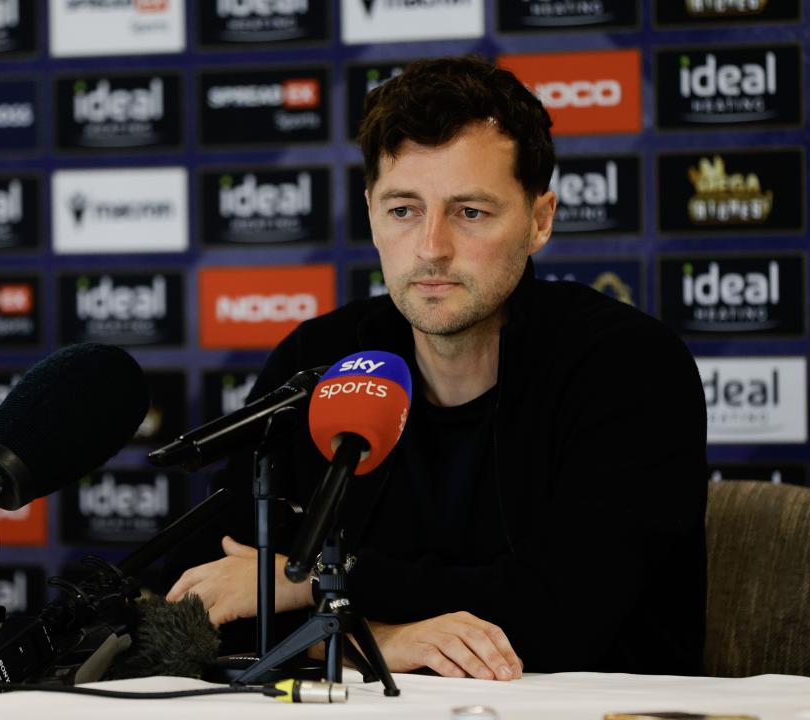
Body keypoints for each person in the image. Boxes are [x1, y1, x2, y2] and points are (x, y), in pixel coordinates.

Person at [166, 55, 707, 681]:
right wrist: (380, 642)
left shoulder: (629, 366)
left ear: (539, 220)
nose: (431, 248)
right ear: (371, 214)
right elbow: (205, 598)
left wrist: (311, 584)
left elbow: (566, 618)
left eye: (470, 212)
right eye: (404, 210)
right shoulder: (320, 358)